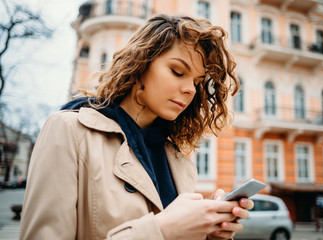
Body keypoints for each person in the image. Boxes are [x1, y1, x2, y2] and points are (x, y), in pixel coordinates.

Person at [19, 14, 254, 240]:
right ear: (141, 63)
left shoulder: (177, 157)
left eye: (196, 82)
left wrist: (207, 232)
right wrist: (161, 230)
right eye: (177, 71)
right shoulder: (68, 130)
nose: (190, 89)